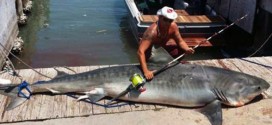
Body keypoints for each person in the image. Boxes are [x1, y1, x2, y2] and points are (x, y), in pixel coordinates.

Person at [137, 6, 194, 80]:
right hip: (150, 53)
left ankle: (174, 65)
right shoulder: (152, 32)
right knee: (145, 55)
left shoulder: (173, 27)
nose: (167, 23)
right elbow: (140, 52)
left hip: (160, 51)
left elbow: (180, 41)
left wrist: (187, 49)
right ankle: (149, 65)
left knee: (182, 50)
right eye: (165, 19)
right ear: (159, 17)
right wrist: (146, 72)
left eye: (170, 20)